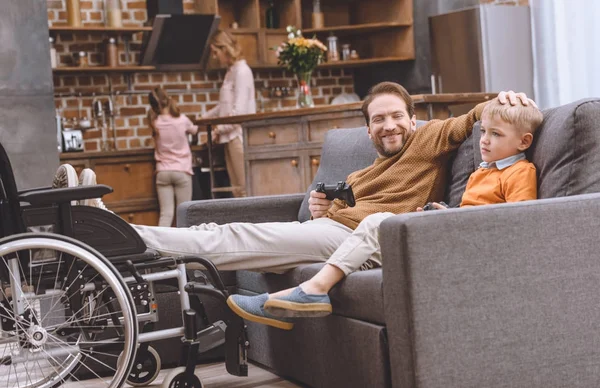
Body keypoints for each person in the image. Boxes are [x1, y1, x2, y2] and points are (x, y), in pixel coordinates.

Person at [54, 83, 535, 331]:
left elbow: (472, 121)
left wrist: (500, 98)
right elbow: (327, 215)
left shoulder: (430, 137)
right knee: (235, 234)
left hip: (358, 237)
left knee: (233, 237)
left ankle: (109, 231)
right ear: (367, 129)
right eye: (378, 120)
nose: (388, 126)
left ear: (412, 118)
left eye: (395, 117)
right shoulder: (361, 173)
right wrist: (319, 205)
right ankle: (109, 228)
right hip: (336, 235)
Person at [251, 97, 543, 326]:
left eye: (495, 134)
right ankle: (289, 299)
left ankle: (314, 289)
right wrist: (446, 211)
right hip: (455, 228)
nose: (484, 140)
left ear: (524, 142)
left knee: (379, 221)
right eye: (484, 132)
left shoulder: (519, 172)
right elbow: (471, 208)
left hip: (471, 240)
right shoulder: (483, 171)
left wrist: (456, 219)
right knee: (378, 225)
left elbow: (516, 221)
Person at [200, 30, 256, 198]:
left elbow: (239, 112)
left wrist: (217, 130)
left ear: (225, 49)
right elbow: (223, 106)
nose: (215, 57)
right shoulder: (231, 71)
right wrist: (202, 120)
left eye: (216, 52)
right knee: (236, 189)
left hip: (238, 137)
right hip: (229, 137)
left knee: (245, 188)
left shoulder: (242, 71)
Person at [148, 87, 199, 227]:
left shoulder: (155, 122)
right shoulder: (182, 120)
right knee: (184, 214)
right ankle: (183, 246)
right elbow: (195, 130)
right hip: (182, 171)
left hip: (163, 172)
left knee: (166, 214)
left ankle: (159, 246)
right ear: (168, 99)